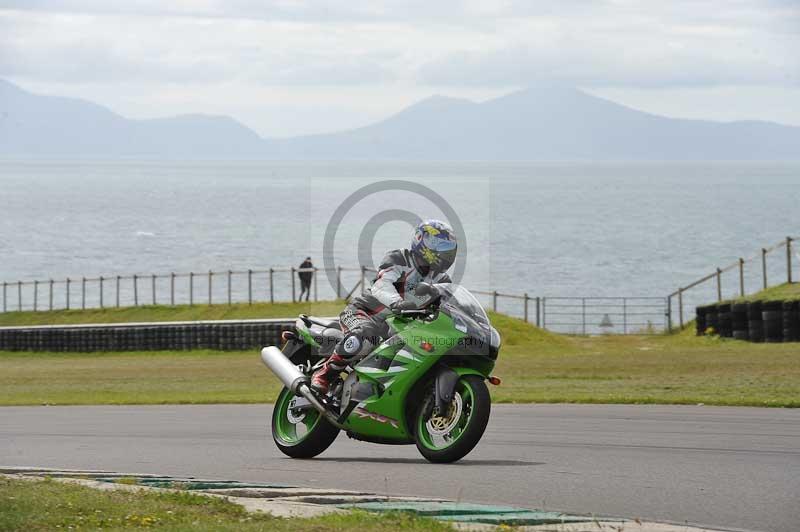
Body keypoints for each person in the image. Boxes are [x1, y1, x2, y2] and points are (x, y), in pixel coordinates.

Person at [311, 219, 458, 394]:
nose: (445, 253)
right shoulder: (399, 258)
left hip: (399, 326)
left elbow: (449, 306)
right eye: (441, 247)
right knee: (365, 334)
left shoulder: (442, 280)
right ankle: (324, 374)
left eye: (448, 248)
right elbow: (382, 285)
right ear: (422, 240)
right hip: (364, 312)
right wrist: (397, 302)